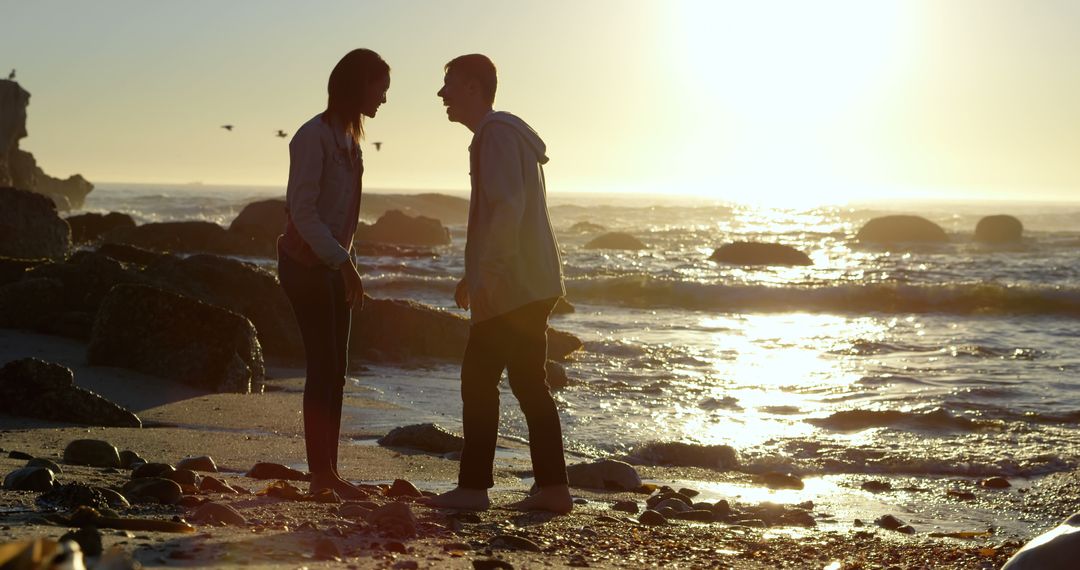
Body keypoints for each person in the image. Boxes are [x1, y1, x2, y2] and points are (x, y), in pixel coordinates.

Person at [422, 54, 572, 513]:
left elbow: (508, 208)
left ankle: (473, 489)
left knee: (479, 379)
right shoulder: (500, 135)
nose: (442, 94)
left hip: (516, 286)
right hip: (528, 282)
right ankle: (552, 488)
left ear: (472, 87)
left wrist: (491, 274)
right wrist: (476, 272)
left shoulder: (496, 134)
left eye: (449, 84)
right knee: (528, 382)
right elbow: (505, 214)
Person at [277, 48, 389, 499]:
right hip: (304, 265)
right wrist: (344, 265)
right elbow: (302, 212)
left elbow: (345, 217)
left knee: (337, 370)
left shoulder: (351, 141)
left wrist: (347, 263)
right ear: (357, 84)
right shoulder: (312, 137)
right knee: (321, 366)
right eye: (379, 86)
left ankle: (330, 472)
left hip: (333, 265)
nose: (383, 97)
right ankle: (320, 475)